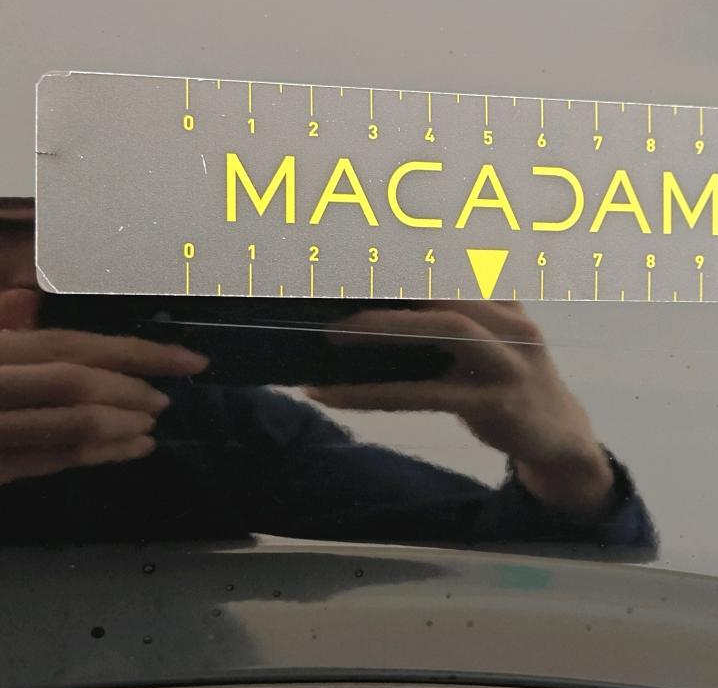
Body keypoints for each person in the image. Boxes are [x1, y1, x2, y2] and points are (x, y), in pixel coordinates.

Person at [0, 198, 656, 557]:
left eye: (67, 261)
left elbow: (517, 575)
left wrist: (567, 465)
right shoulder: (184, 423)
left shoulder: (201, 425)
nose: (19, 305)